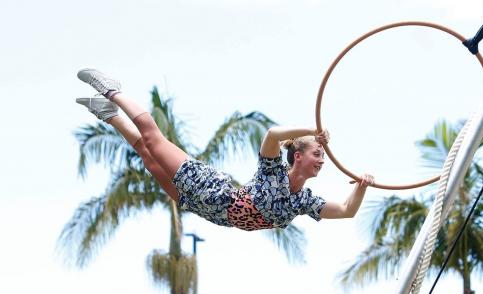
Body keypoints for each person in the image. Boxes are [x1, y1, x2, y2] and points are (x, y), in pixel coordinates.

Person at [75, 69, 374, 231]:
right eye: (317, 154)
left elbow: (347, 211)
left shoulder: (304, 201)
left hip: (210, 212)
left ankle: (109, 113)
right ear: (298, 156)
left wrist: (362, 185)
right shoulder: (274, 173)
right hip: (213, 191)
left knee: (150, 161)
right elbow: (271, 135)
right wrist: (310, 131)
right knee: (153, 140)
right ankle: (112, 90)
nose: (322, 160)